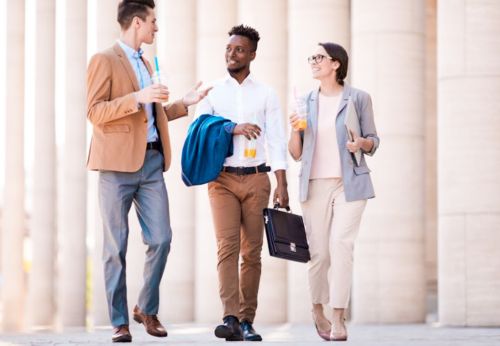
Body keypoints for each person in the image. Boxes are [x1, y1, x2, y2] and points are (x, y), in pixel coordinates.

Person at [86, 0, 210, 342]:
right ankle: (120, 321)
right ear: (137, 22)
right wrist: (138, 96)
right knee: (116, 247)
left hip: (153, 162)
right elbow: (95, 112)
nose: (157, 28)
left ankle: (145, 308)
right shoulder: (104, 60)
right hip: (116, 167)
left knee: (162, 239)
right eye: (153, 21)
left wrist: (184, 103)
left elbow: (151, 120)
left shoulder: (146, 61)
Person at [195, 24, 289, 342]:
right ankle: (230, 317)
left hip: (257, 178)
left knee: (252, 252)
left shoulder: (266, 93)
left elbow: (277, 140)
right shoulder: (212, 91)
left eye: (238, 49)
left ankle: (247, 320)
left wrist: (282, 183)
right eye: (228, 48)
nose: (231, 54)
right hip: (221, 179)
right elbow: (200, 128)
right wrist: (232, 128)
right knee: (226, 248)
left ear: (252, 55)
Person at [288, 42, 379, 342]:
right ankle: (317, 309)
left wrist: (360, 144)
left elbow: (373, 141)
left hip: (350, 183)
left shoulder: (358, 98)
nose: (313, 62)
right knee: (319, 254)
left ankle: (338, 316)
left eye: (319, 57)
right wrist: (294, 128)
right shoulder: (305, 101)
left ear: (336, 64)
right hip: (314, 184)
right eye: (311, 57)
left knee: (341, 245)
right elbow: (296, 154)